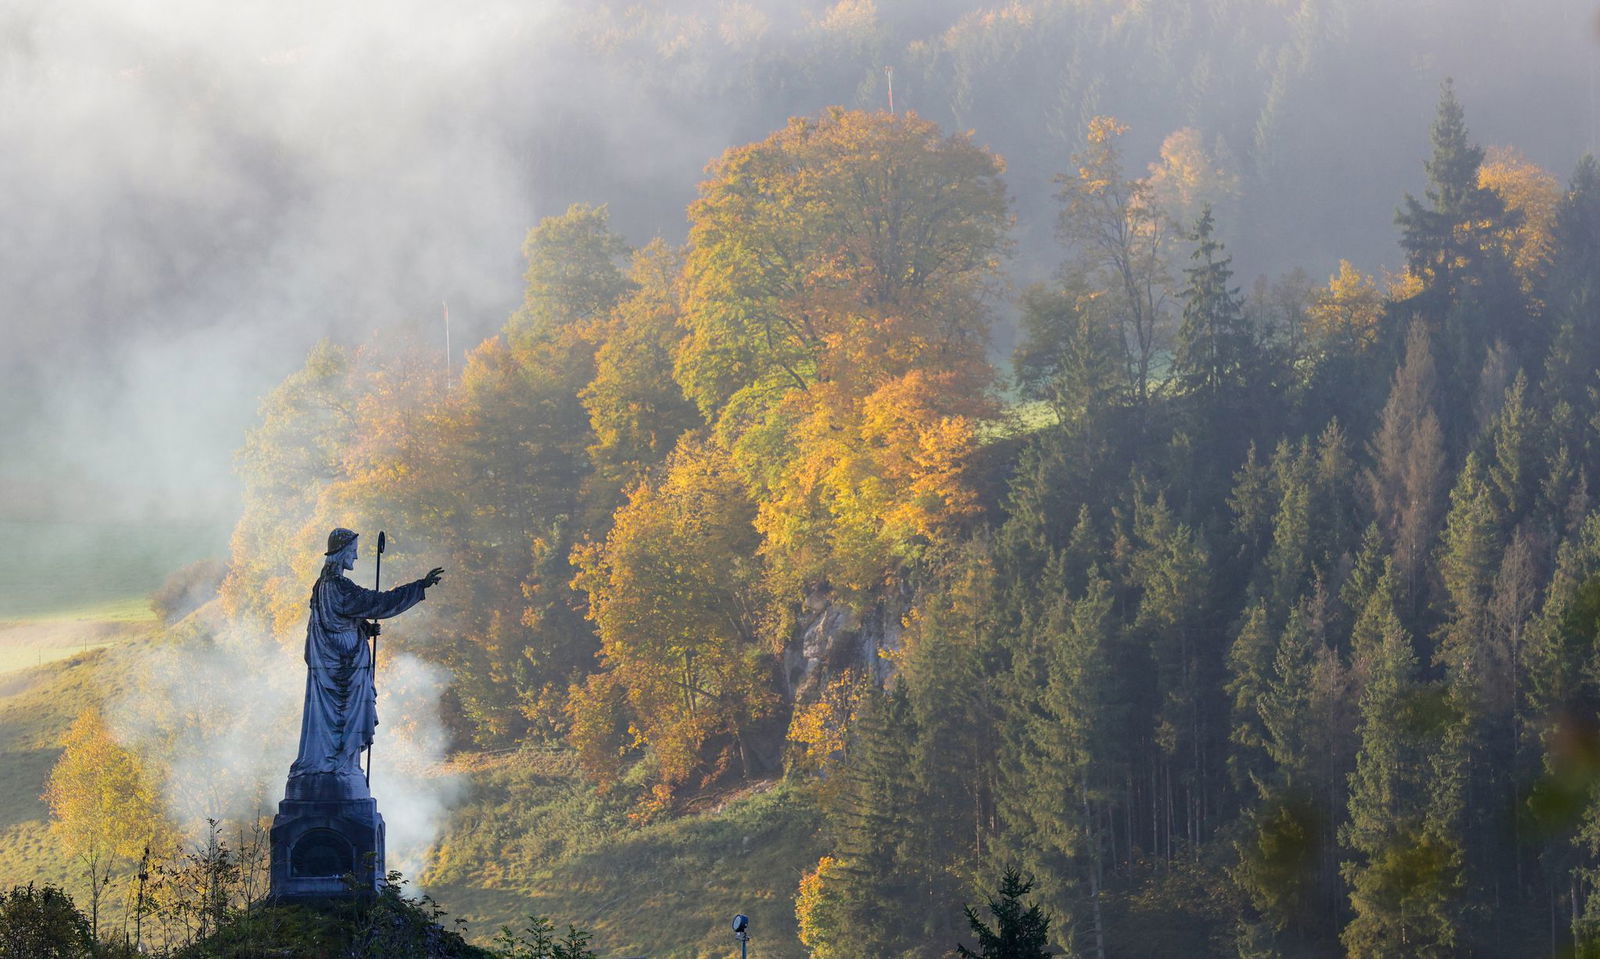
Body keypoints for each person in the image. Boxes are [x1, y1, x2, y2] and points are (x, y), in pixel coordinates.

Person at [285, 528, 443, 800]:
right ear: (343, 552)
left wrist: (363, 627)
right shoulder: (338, 587)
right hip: (343, 674)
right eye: (353, 551)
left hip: (334, 669)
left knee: (335, 725)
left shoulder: (322, 587)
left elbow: (334, 624)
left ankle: (337, 767)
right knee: (343, 723)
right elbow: (379, 603)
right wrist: (419, 586)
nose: (356, 557)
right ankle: (338, 768)